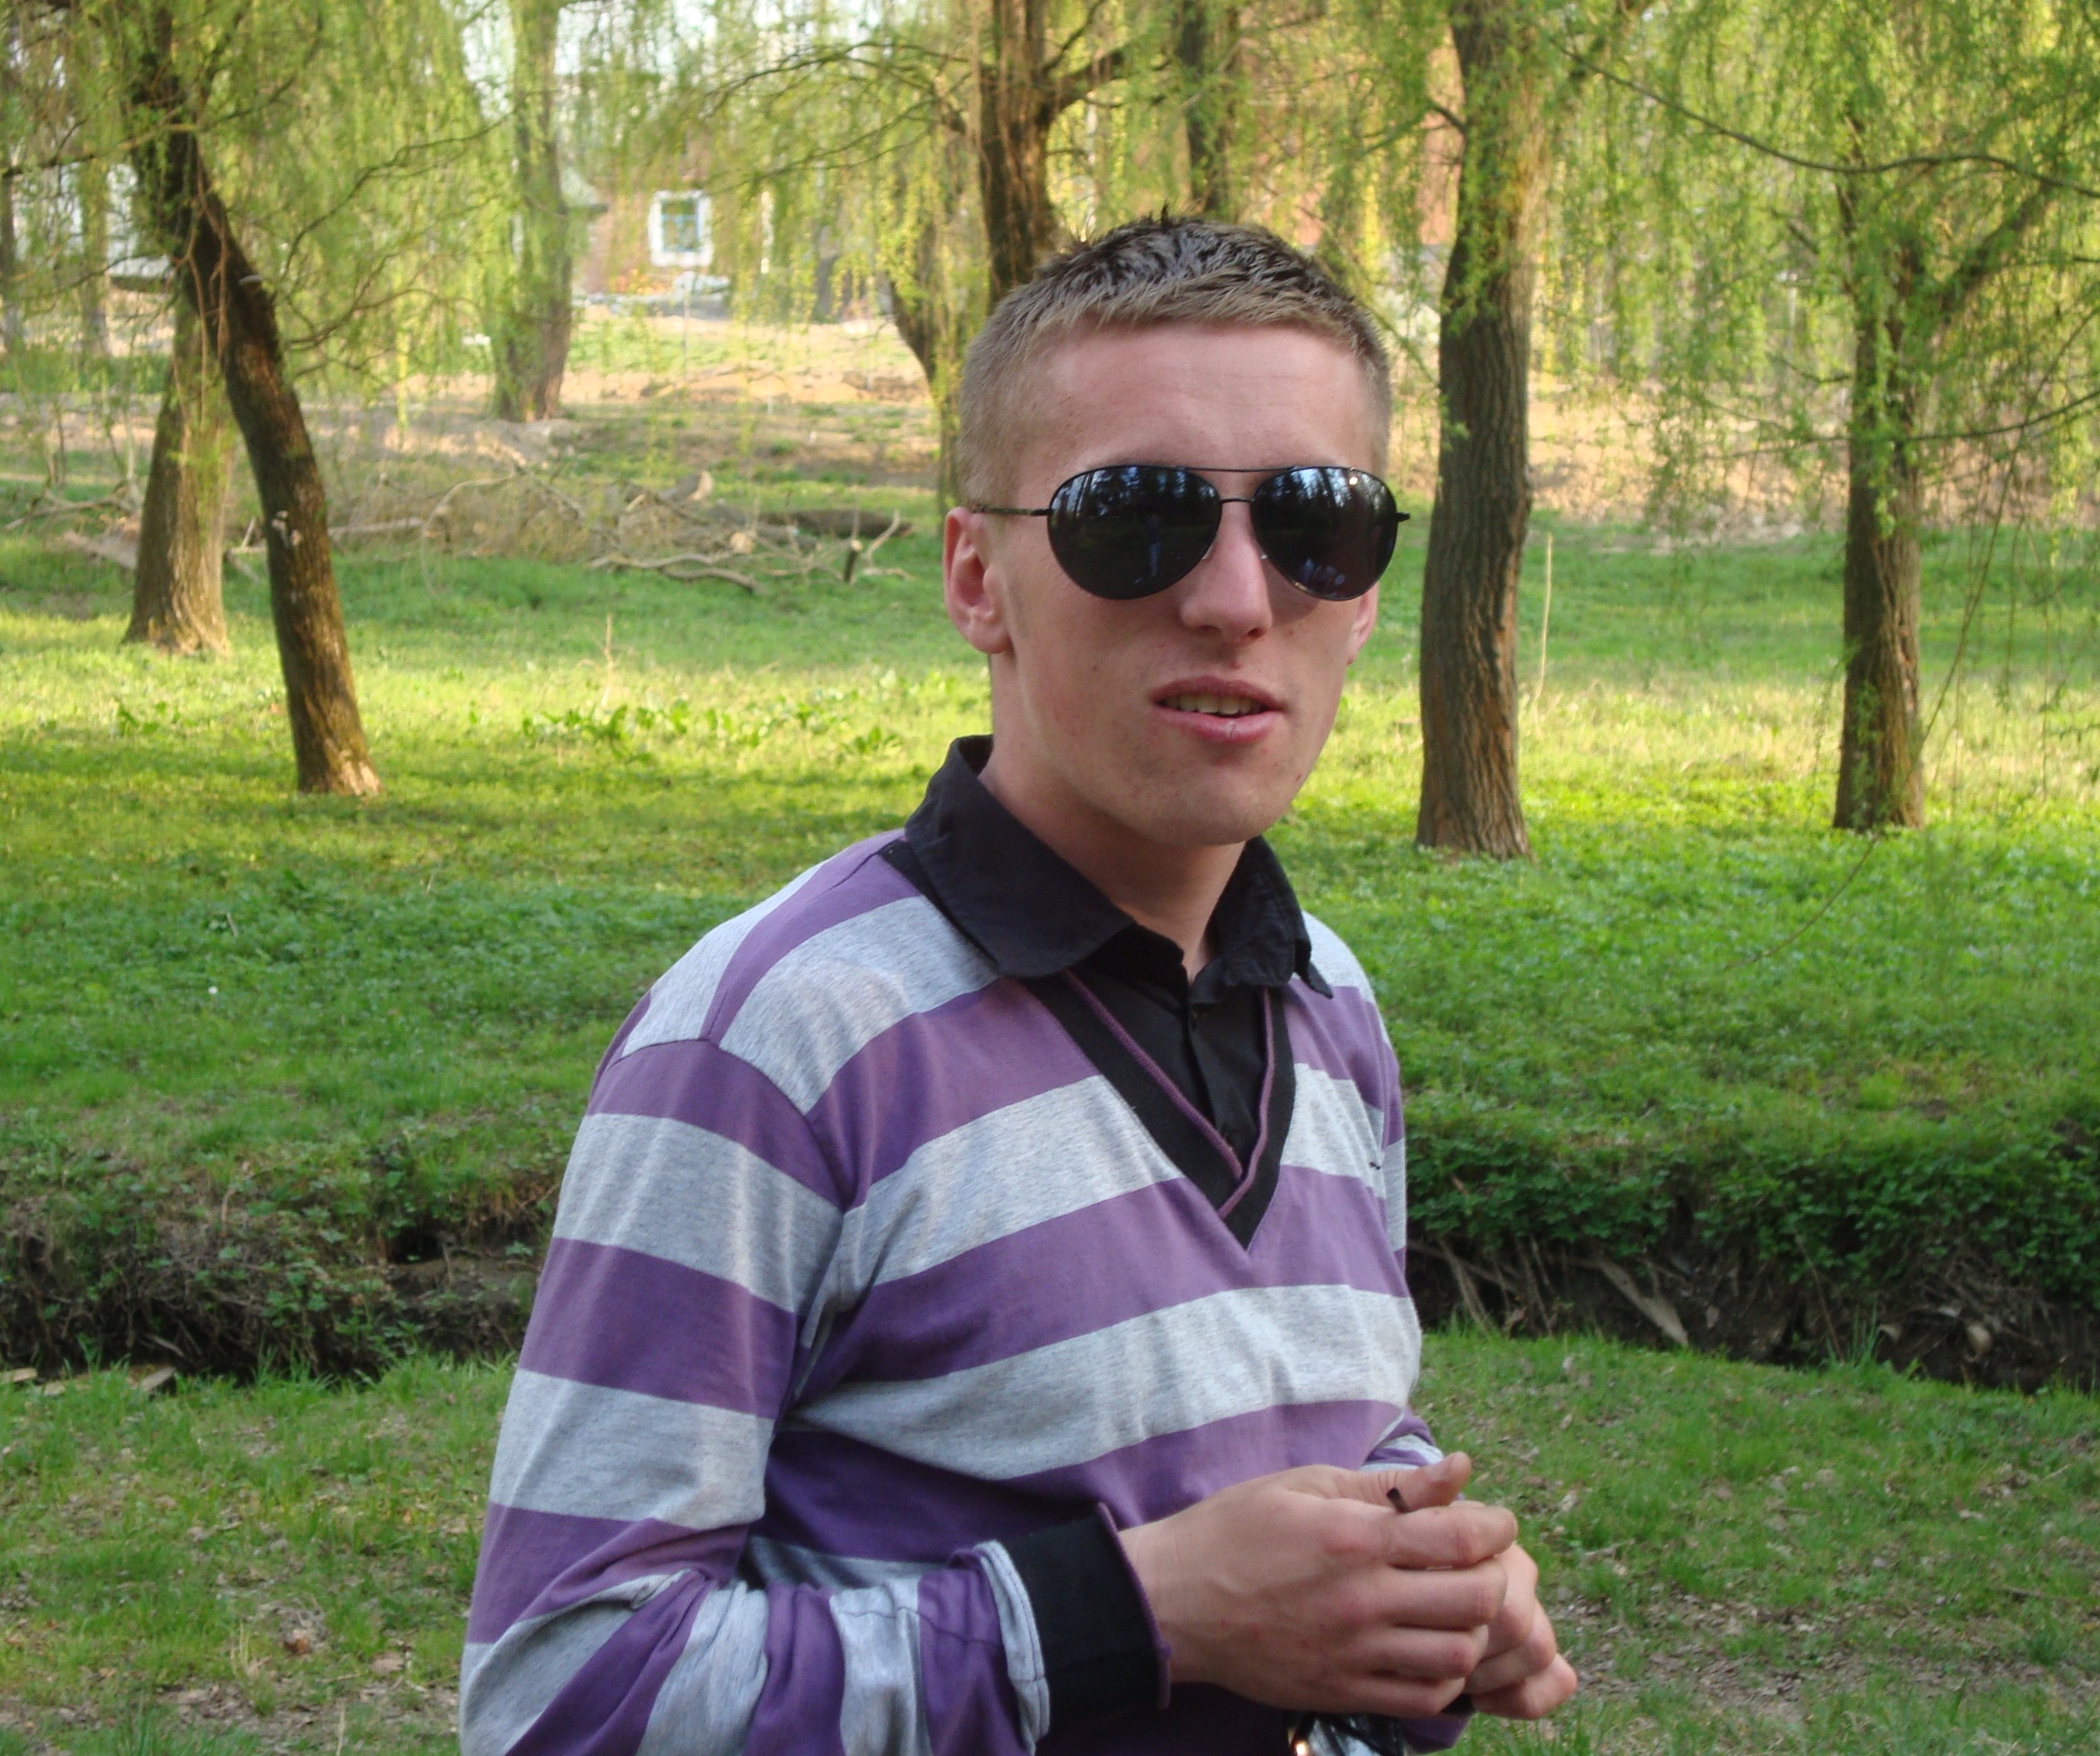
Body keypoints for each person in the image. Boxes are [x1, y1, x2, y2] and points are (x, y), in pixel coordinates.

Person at [460, 217, 1577, 1756]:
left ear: (1371, 592)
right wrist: (1144, 1615)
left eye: (1315, 522)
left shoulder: (1332, 1009)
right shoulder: (777, 1046)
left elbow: (1322, 1424)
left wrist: (1411, 1569)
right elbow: (561, 1697)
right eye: (1139, 517)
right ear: (978, 578)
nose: (1238, 599)